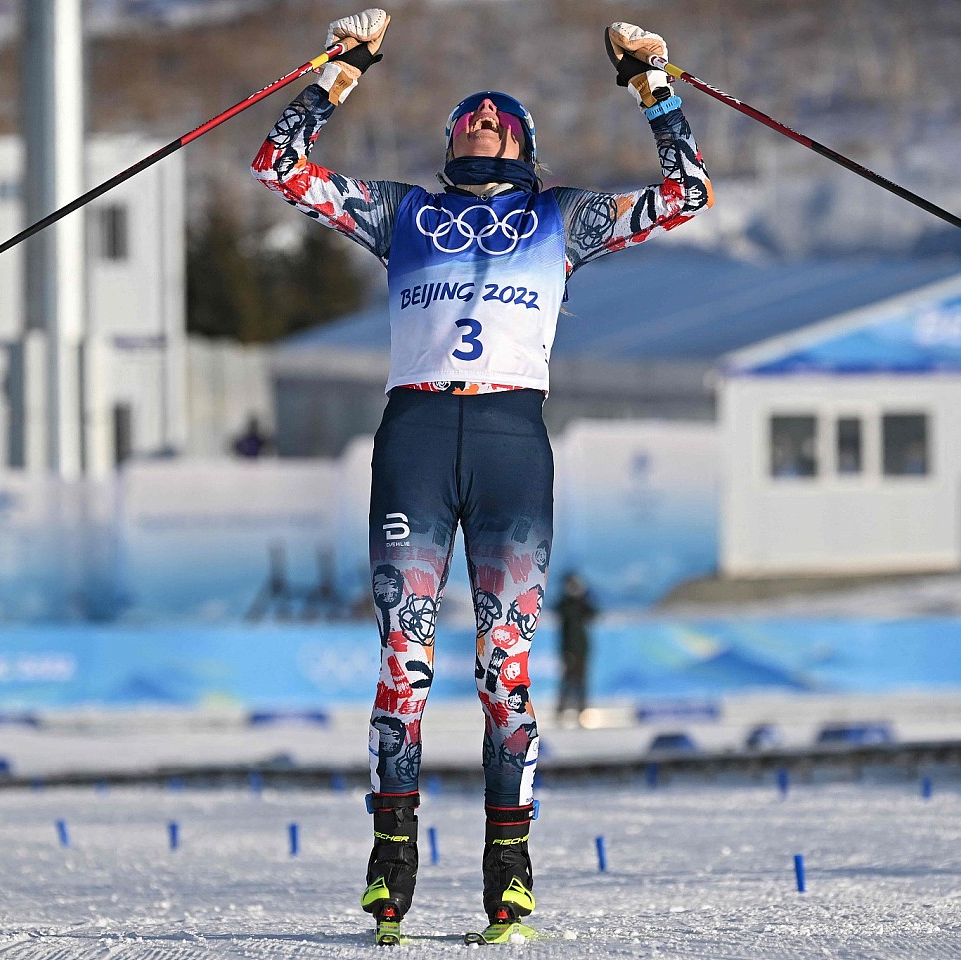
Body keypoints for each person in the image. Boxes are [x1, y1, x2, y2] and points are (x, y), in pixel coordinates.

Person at [252, 9, 712, 942]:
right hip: (417, 433)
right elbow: (279, 166)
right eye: (469, 117)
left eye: (502, 119)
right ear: (448, 140)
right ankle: (392, 856)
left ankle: (510, 870)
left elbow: (686, 194)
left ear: (528, 144)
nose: (484, 122)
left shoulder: (561, 215)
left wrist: (652, 85)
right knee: (403, 663)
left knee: (504, 670)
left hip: (509, 436)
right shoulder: (403, 211)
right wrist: (343, 70)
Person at [554, 572, 598, 724]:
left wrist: (583, 597)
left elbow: (593, 614)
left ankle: (582, 711)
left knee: (581, 681)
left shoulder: (582, 603)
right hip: (568, 649)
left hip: (582, 649)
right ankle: (560, 712)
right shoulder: (565, 604)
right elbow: (559, 610)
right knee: (567, 681)